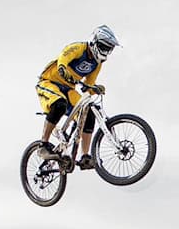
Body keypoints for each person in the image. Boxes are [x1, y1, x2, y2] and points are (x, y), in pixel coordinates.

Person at [35, 25, 120, 168]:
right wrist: (62, 68)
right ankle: (43, 145)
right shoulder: (79, 48)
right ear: (95, 42)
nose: (105, 51)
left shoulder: (97, 64)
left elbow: (88, 85)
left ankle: (85, 156)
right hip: (49, 82)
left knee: (89, 113)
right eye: (103, 47)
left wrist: (95, 89)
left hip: (68, 89)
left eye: (108, 49)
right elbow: (63, 57)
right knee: (59, 104)